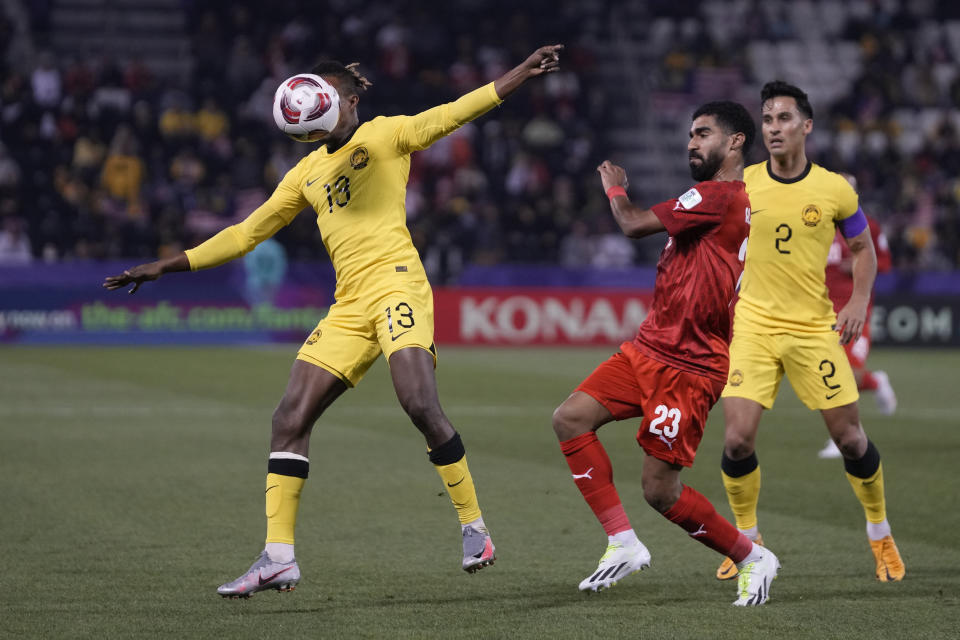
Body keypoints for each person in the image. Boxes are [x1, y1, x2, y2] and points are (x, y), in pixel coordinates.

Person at [104, 44, 564, 598]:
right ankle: (278, 558)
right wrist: (168, 265)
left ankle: (474, 528)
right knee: (289, 418)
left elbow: (459, 110)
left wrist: (520, 72)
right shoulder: (305, 173)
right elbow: (246, 233)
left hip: (397, 283)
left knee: (419, 404)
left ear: (346, 99)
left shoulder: (387, 135)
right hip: (348, 306)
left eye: (327, 97)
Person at [553, 101, 780, 606]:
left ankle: (752, 557)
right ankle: (622, 542)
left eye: (703, 134)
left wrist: (614, 185)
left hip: (689, 366)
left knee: (659, 490)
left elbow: (632, 223)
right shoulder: (715, 200)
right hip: (649, 348)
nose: (692, 143)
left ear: (736, 141)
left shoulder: (719, 194)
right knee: (570, 419)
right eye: (690, 136)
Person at [715, 81, 905, 584]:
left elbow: (863, 249)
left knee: (849, 438)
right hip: (752, 326)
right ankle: (746, 541)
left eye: (783, 119)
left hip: (812, 328)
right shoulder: (742, 181)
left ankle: (879, 531)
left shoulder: (835, 189)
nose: (773, 128)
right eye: (768, 119)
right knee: (736, 441)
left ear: (806, 126)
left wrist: (859, 301)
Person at [819, 175, 896, 459]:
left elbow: (885, 263)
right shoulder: (815, 223)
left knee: (846, 372)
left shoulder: (867, 226)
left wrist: (858, 264)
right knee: (825, 375)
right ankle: (876, 382)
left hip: (855, 311)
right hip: (821, 312)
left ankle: (842, 436)